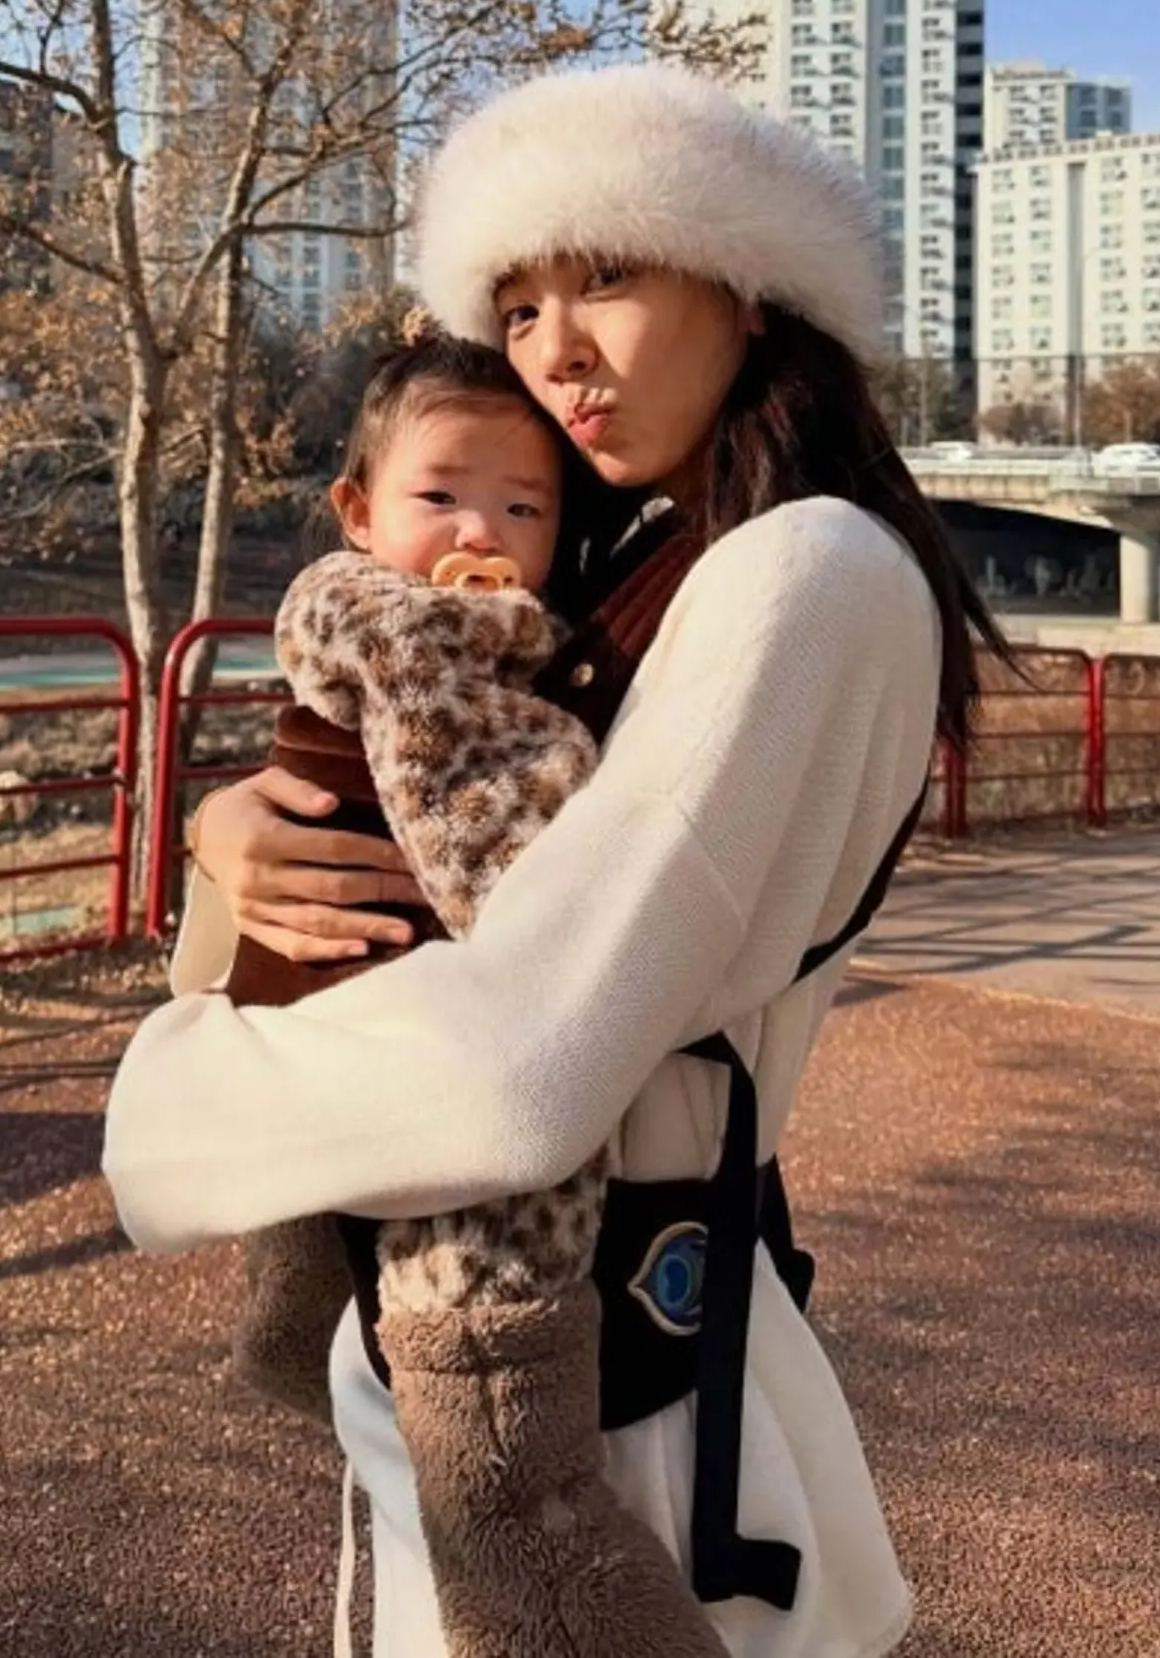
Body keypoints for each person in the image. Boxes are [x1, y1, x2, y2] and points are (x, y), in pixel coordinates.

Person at [105, 61, 1006, 1658]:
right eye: (516, 307)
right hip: (538, 1304)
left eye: (606, 276)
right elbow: (446, 856)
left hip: (617, 1377)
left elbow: (524, 1058)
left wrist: (167, 1103)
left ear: (751, 289)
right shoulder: (643, 562)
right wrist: (234, 839)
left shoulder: (800, 571)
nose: (556, 352)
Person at [229, 326, 724, 1657]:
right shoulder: (425, 638)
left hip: (318, 1038)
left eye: (524, 507)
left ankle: (293, 1330)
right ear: (356, 509)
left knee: (303, 1241)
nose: (482, 531)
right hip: (433, 1064)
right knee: (503, 1446)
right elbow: (497, 853)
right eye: (442, 495)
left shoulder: (413, 625)